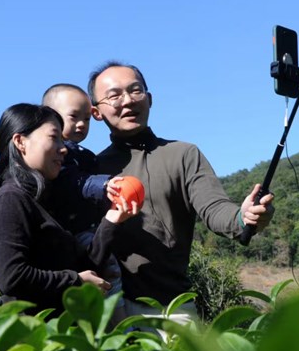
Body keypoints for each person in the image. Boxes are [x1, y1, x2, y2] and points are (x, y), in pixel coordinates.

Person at [88, 61, 275, 323]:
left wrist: (243, 217)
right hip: (109, 309)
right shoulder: (90, 170)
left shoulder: (183, 154)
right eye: (114, 95)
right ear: (96, 112)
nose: (128, 100)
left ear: (150, 99)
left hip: (172, 309)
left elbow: (214, 207)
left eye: (135, 90)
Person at [0, 103, 138, 312]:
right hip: (32, 337)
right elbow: (12, 276)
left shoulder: (43, 202)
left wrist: (111, 221)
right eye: (53, 137)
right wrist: (74, 281)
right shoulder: (10, 200)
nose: (63, 148)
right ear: (20, 142)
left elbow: (85, 268)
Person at [41, 84, 126, 319]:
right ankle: (119, 324)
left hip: (86, 226)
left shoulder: (84, 155)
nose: (81, 124)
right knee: (109, 270)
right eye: (74, 117)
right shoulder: (61, 157)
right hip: (72, 229)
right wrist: (105, 185)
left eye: (87, 118)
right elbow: (75, 181)